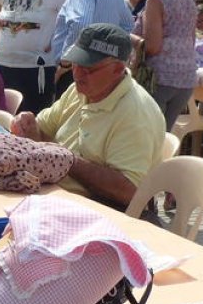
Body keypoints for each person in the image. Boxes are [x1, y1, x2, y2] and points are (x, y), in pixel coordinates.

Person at [12, 23, 166, 208]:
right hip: (55, 195)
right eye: (75, 63)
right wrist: (28, 127)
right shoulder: (81, 89)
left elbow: (129, 192)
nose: (77, 74)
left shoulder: (135, 114)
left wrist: (66, 160)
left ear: (117, 69)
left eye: (89, 69)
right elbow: (41, 132)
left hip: (102, 212)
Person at [130, 0, 197, 130]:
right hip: (186, 77)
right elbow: (191, 39)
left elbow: (153, 46)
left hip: (160, 78)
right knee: (165, 135)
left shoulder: (155, 0)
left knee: (150, 136)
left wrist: (131, 38)